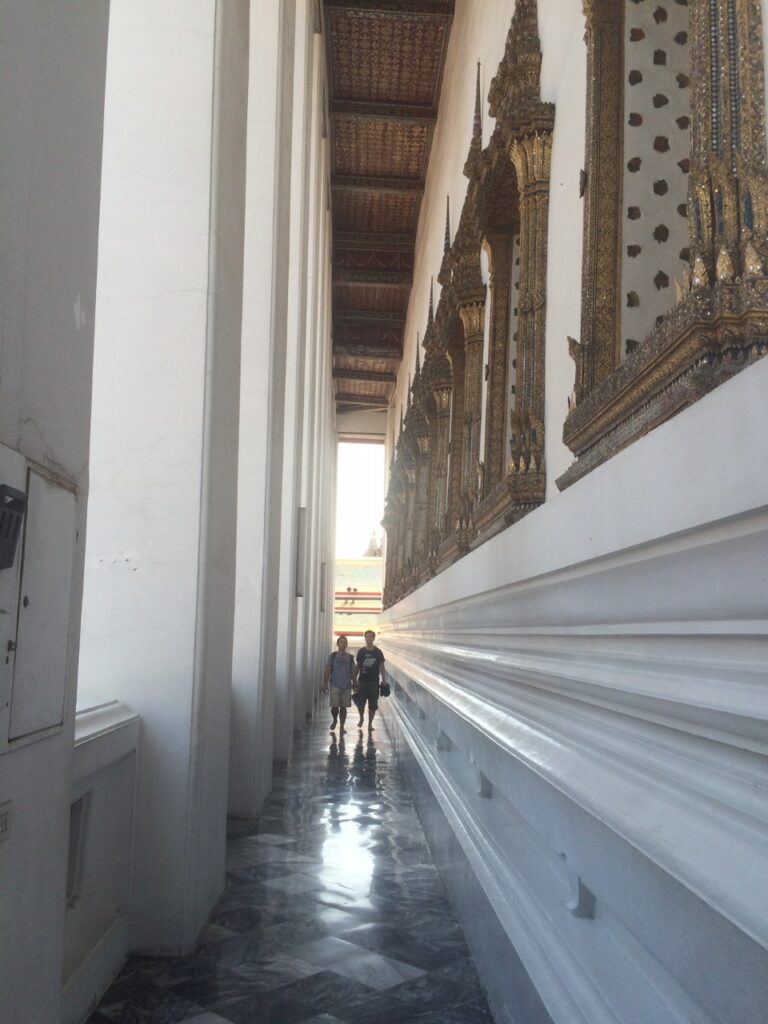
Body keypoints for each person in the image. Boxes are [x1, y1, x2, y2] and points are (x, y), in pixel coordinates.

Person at [321, 635, 357, 733]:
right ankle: (335, 719)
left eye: (345, 642)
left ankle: (342, 726)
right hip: (335, 684)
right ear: (337, 644)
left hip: (346, 686)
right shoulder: (333, 656)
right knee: (334, 706)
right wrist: (324, 684)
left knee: (344, 707)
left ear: (347, 644)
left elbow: (353, 672)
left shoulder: (350, 657)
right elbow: (328, 670)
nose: (343, 644)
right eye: (341, 642)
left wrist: (355, 683)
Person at [355, 630, 386, 733]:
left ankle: (370, 724)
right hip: (362, 681)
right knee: (360, 702)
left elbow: (382, 666)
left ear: (373, 638)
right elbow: (358, 666)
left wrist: (384, 680)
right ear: (365, 638)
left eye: (370, 636)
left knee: (373, 704)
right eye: (367, 636)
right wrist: (354, 679)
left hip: (374, 682)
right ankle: (361, 718)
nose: (368, 638)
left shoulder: (378, 652)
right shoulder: (361, 652)